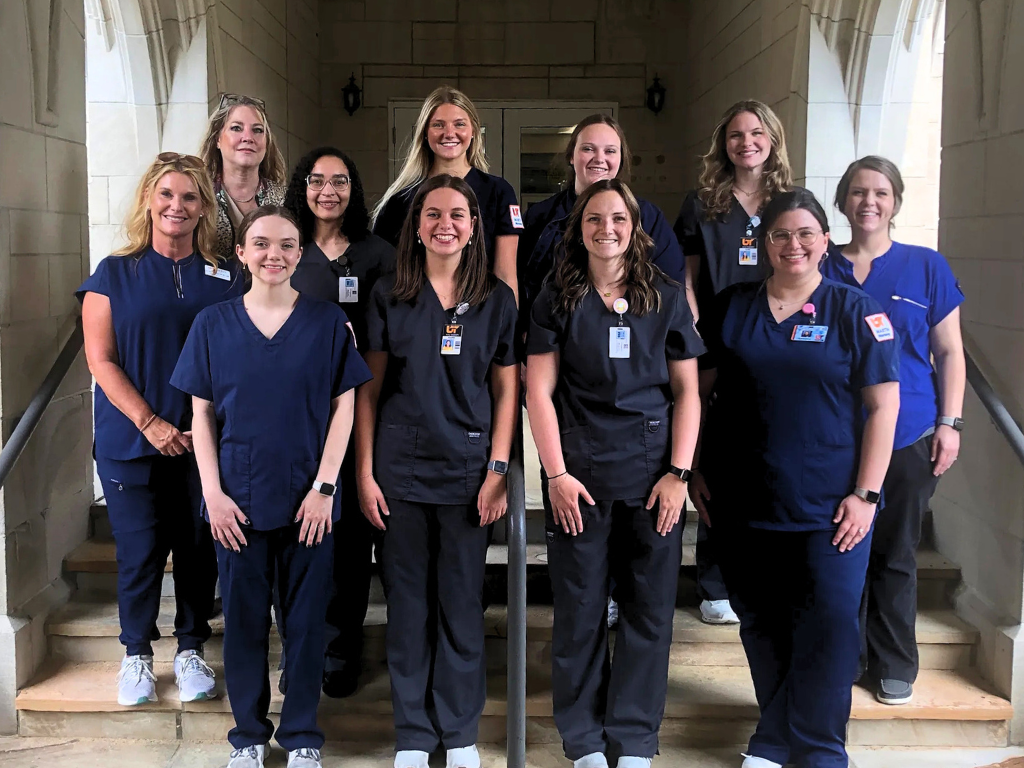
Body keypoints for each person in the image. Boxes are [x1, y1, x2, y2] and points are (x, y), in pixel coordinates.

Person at [691, 189, 901, 768]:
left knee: (828, 630)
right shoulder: (732, 306)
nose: (793, 245)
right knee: (760, 624)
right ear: (763, 243)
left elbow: (884, 408)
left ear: (824, 241)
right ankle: (775, 738)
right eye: (781, 234)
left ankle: (817, 749)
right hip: (742, 501)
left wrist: (866, 494)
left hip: (830, 509)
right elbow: (696, 393)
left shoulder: (855, 311)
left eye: (806, 233)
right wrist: (694, 467)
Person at [170, 206, 371, 768]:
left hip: (309, 503)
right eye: (260, 244)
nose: (273, 254)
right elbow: (201, 416)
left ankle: (302, 734)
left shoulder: (328, 322)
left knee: (306, 625)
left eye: (286, 244)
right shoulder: (213, 324)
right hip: (236, 502)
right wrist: (212, 493)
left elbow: (344, 406)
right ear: (241, 253)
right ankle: (249, 738)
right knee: (245, 624)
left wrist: (326, 488)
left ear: (301, 253)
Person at [525, 179, 703, 768]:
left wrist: (680, 472)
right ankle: (583, 739)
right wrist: (554, 475)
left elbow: (687, 393)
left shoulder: (667, 296)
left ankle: (633, 740)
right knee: (578, 612)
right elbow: (539, 392)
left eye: (618, 219)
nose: (607, 229)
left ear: (635, 227)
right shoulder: (556, 295)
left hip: (655, 478)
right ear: (579, 228)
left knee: (648, 611)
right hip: (580, 477)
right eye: (594, 219)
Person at [357, 175, 519, 768]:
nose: (444, 224)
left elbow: (507, 390)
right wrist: (365, 473)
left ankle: (460, 733)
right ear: (416, 225)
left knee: (460, 604)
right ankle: (414, 737)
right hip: (399, 473)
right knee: (408, 609)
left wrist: (498, 468)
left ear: (475, 226)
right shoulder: (388, 293)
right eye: (432, 214)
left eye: (457, 214)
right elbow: (368, 391)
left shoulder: (497, 300)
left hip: (469, 474)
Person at [77, 152, 240, 706]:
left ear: (203, 209)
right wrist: (149, 423)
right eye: (167, 194)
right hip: (132, 440)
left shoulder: (225, 277)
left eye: (190, 197)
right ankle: (137, 654)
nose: (177, 206)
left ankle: (191, 646)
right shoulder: (114, 273)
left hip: (204, 443)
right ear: (149, 198)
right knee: (140, 550)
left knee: (198, 547)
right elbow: (100, 360)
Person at [822, 156, 965, 706]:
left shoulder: (925, 267)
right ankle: (844, 658)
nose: (869, 202)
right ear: (843, 201)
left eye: (881, 192)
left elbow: (950, 352)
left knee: (896, 551)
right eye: (858, 192)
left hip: (909, 434)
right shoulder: (821, 264)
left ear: (897, 202)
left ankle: (893, 663)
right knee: (840, 548)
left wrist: (949, 424)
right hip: (838, 438)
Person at [673, 99, 798, 626]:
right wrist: (697, 326)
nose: (746, 143)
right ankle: (715, 581)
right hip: (718, 335)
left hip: (776, 333)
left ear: (772, 139)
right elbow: (686, 274)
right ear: (723, 144)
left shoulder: (788, 201)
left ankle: (768, 569)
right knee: (717, 450)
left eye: (755, 133)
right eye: (735, 135)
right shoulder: (704, 201)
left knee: (771, 443)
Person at [283, 146, 396, 699]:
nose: (328, 190)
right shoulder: (286, 249)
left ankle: (341, 645)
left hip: (363, 408)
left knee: (350, 540)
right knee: (301, 533)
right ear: (301, 186)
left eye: (341, 181)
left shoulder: (379, 254)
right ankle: (301, 642)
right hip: (297, 415)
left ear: (354, 190)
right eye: (317, 180)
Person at [518, 114, 685, 334]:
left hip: (630, 341)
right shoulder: (540, 216)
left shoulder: (647, 217)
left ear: (621, 159)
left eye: (610, 151)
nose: (599, 158)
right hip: (552, 342)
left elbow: (670, 287)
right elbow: (520, 284)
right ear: (571, 155)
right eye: (588, 149)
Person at [371, 86, 521, 299]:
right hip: (415, 318)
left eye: (459, 124)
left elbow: (505, 275)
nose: (449, 133)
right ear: (424, 132)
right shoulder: (400, 200)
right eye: (438, 125)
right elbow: (385, 274)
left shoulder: (498, 192)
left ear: (473, 131)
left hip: (480, 317)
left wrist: (509, 328)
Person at [199, 93, 287, 260]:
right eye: (236, 128)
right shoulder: (198, 195)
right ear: (217, 139)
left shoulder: (286, 200)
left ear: (266, 142)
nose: (248, 138)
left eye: (257, 130)